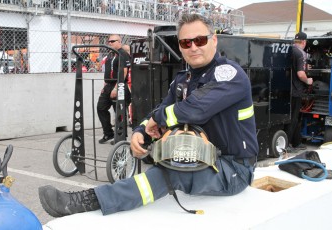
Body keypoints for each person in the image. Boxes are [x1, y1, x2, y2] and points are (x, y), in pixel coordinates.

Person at [38, 14, 259, 217]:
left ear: (214, 40)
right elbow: (162, 109)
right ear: (180, 47)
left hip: (234, 168)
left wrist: (156, 121)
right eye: (185, 42)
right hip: (201, 157)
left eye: (200, 40)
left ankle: (85, 201)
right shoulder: (183, 79)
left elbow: (195, 109)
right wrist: (141, 131)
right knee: (165, 162)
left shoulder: (230, 75)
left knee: (172, 172)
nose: (193, 47)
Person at [96, 34, 130, 144]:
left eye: (112, 41)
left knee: (119, 111)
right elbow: (107, 72)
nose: (110, 43)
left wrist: (116, 88)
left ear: (119, 42)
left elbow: (124, 72)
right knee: (101, 107)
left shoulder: (123, 54)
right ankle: (108, 133)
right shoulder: (110, 55)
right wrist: (105, 86)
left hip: (119, 84)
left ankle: (120, 136)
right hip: (108, 85)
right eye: (109, 41)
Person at [286, 32, 313, 152]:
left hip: (284, 90)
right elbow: (300, 74)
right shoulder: (301, 54)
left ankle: (295, 142)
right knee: (294, 118)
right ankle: (288, 145)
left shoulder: (289, 50)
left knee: (289, 117)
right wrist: (308, 81)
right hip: (296, 91)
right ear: (304, 42)